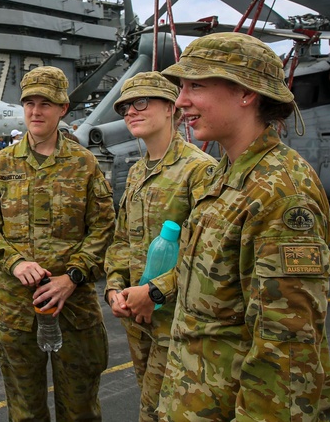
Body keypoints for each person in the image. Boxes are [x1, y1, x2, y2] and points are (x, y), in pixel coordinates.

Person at [157, 32, 330, 421]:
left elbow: (286, 349)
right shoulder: (223, 175)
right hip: (195, 398)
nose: (181, 100)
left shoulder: (281, 193)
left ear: (246, 94)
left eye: (196, 86)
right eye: (181, 87)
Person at [0, 66, 115, 421]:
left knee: (80, 410)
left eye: (46, 104)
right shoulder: (2, 164)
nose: (36, 112)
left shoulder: (84, 165)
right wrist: (14, 262)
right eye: (29, 103)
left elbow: (104, 229)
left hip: (74, 308)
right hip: (17, 312)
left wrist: (74, 275)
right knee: (25, 410)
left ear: (63, 108)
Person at [103, 72, 214, 422]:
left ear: (171, 108)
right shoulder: (137, 172)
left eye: (141, 102)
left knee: (160, 413)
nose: (131, 112)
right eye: (124, 108)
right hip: (138, 322)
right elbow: (122, 239)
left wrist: (153, 293)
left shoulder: (199, 171)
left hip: (179, 323)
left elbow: (208, 257)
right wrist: (115, 288)